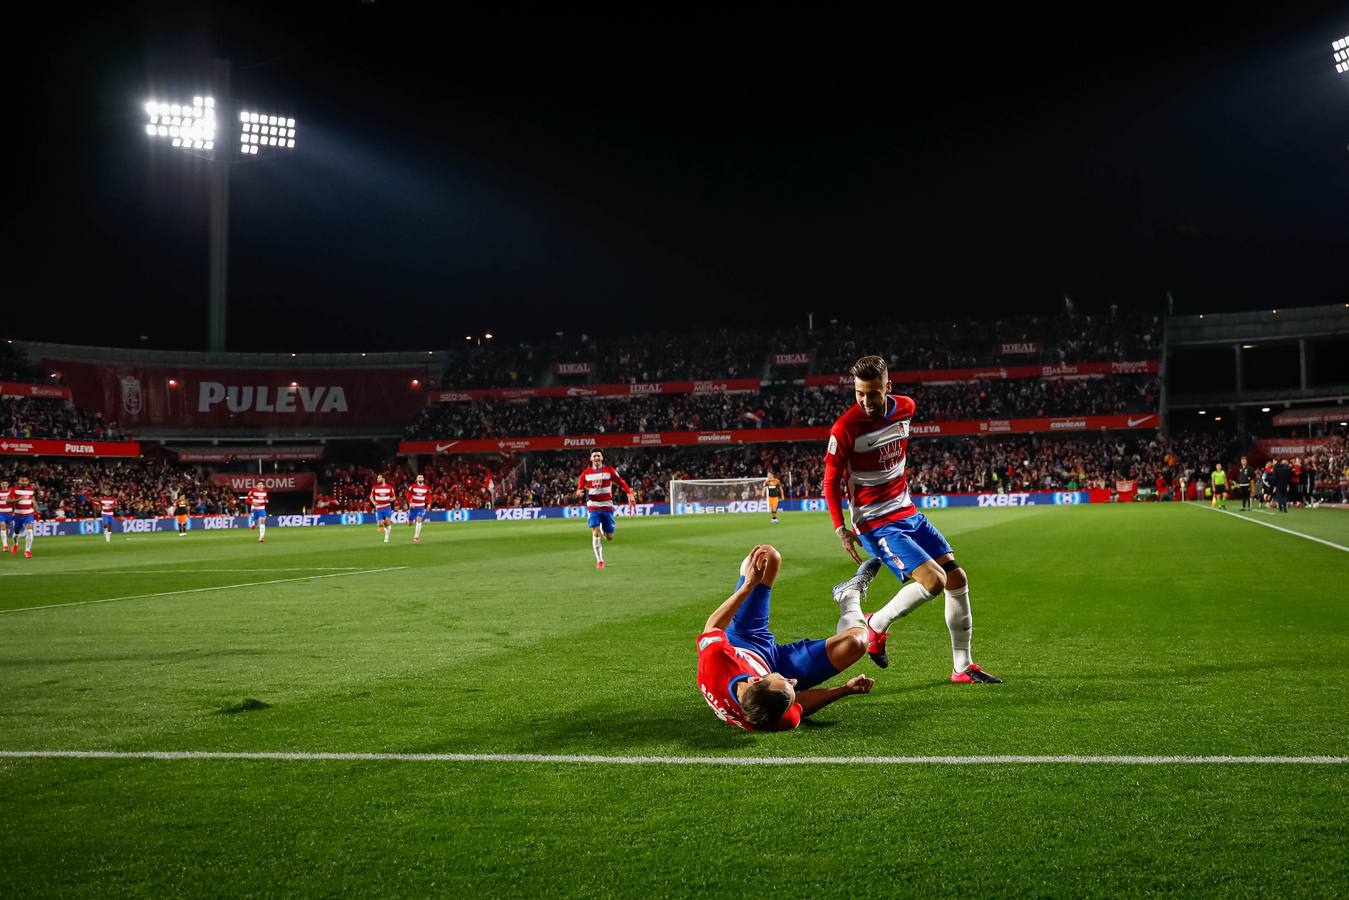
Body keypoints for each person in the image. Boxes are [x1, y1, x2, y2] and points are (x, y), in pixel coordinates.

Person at [823, 355, 1001, 684]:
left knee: (957, 578)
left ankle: (962, 667)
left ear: (888, 387)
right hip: (876, 521)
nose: (865, 401)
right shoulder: (845, 428)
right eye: (859, 393)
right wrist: (840, 528)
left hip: (908, 511)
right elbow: (830, 481)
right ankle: (875, 625)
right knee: (934, 581)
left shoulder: (906, 407)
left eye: (873, 393)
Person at [696, 544, 877, 731]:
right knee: (857, 642)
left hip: (742, 638)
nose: (794, 681)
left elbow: (713, 626)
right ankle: (849, 595)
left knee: (767, 556)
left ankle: (748, 578)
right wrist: (845, 690)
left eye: (787, 683)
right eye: (792, 688)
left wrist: (748, 585)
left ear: (756, 680)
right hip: (778, 664)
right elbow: (800, 705)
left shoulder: (715, 662)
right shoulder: (776, 718)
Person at [575, 450, 633, 569]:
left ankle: (603, 528)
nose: (596, 457)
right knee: (595, 532)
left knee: (609, 537)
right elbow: (579, 488)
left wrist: (629, 493)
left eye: (598, 456)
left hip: (607, 507)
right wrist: (579, 492)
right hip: (593, 506)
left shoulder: (609, 471)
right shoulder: (585, 473)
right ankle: (600, 560)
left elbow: (621, 482)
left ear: (602, 458)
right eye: (594, 456)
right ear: (591, 459)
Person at [10, 476, 38, 559]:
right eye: (22, 481)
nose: (24, 482)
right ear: (19, 481)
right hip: (18, 515)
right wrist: (18, 499)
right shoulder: (14, 490)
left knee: (30, 530)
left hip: (29, 514)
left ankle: (27, 551)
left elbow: (32, 497)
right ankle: (15, 545)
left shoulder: (31, 490)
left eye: (26, 481)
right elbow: (8, 501)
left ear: (28, 482)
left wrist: (35, 503)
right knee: (16, 533)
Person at [370, 475, 396, 543]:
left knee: (387, 523)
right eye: (377, 478)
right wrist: (374, 502)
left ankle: (386, 538)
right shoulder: (374, 487)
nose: (377, 479)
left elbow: (394, 497)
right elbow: (371, 497)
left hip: (387, 507)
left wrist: (391, 499)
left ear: (383, 479)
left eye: (379, 478)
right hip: (379, 508)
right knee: (380, 525)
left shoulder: (389, 487)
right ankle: (385, 523)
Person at [406, 474, 431, 543]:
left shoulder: (426, 488)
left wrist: (429, 504)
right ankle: (408, 518)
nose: (420, 478)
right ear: (416, 479)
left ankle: (416, 536)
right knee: (410, 524)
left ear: (423, 479)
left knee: (419, 519)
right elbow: (408, 496)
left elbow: (429, 496)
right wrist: (410, 503)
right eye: (419, 477)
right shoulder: (412, 487)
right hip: (413, 507)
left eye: (422, 477)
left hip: (421, 507)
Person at [0, 479, 12, 554]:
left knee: (7, 529)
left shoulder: (11, 492)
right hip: (1, 513)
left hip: (9, 513)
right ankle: (5, 545)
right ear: (1, 485)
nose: (4, 485)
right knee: (3, 526)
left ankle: (5, 541)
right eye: (3, 484)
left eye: (5, 484)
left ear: (7, 485)